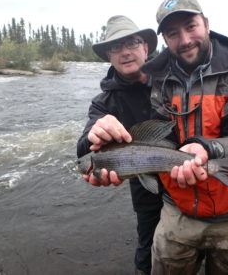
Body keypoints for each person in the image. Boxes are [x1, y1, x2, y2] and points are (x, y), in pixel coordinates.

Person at [140, 0, 228, 274]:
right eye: (173, 33)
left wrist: (205, 150)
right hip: (178, 212)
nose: (184, 40)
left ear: (207, 24)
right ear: (165, 40)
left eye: (191, 26)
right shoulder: (158, 80)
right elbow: (163, 135)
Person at [76, 15, 161, 275]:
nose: (124, 52)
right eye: (115, 47)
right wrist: (94, 135)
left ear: (145, 48)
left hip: (188, 178)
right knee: (147, 252)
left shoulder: (173, 79)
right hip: (146, 190)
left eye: (132, 43)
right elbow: (82, 149)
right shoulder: (103, 103)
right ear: (108, 57)